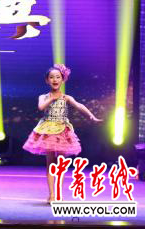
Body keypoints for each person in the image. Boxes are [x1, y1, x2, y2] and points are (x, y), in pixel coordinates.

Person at [23, 64, 102, 203]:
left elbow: (79, 106)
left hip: (62, 131)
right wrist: (52, 98)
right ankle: (51, 195)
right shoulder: (43, 96)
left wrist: (91, 117)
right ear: (47, 80)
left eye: (58, 77)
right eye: (51, 77)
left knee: (60, 165)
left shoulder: (66, 97)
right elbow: (41, 107)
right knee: (50, 164)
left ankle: (58, 193)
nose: (55, 79)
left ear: (63, 79)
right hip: (47, 131)